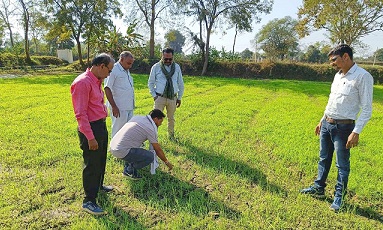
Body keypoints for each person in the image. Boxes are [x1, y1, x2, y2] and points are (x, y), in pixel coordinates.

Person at [300, 44, 373, 212]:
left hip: (344, 128)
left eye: (334, 60)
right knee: (323, 158)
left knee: (342, 165)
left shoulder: (363, 77)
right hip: (327, 123)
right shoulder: (338, 76)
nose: (332, 63)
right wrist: (322, 120)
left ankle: (339, 197)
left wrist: (356, 132)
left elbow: (367, 108)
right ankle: (318, 188)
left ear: (345, 57)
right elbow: (331, 101)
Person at [70, 53, 115, 215]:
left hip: (100, 126)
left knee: (101, 159)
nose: (109, 74)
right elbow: (80, 114)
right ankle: (89, 200)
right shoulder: (83, 83)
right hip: (90, 129)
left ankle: (98, 185)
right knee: (92, 164)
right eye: (109, 70)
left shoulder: (97, 81)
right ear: (101, 66)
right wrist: (90, 137)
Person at [110, 109, 173, 179]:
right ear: (155, 119)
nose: (160, 124)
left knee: (140, 147)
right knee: (150, 157)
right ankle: (129, 171)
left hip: (113, 145)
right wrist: (167, 162)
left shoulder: (138, 117)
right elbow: (158, 150)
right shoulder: (150, 128)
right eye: (160, 121)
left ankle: (128, 163)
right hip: (121, 150)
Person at [148, 47, 184, 139]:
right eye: (165, 59)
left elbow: (180, 83)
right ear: (162, 56)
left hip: (173, 98)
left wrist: (179, 97)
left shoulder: (177, 67)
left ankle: (171, 136)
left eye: (170, 59)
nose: (168, 60)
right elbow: (150, 82)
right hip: (159, 97)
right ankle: (153, 137)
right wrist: (154, 96)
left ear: (173, 57)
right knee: (155, 119)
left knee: (171, 119)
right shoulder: (156, 67)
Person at [104, 51, 135, 137]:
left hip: (128, 106)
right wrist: (114, 107)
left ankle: (124, 149)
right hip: (119, 107)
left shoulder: (126, 70)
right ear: (121, 59)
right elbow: (107, 88)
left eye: (131, 64)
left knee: (128, 131)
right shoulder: (113, 69)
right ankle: (114, 149)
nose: (130, 66)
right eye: (128, 63)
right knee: (118, 131)